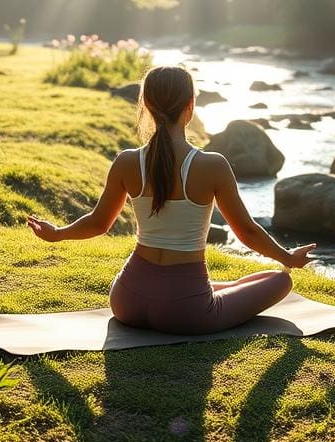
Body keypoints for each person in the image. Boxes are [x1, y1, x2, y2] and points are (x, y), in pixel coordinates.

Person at [27, 65, 316, 335]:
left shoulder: (127, 161)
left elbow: (99, 223)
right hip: (186, 310)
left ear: (148, 106)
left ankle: (208, 290)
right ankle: (211, 291)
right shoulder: (211, 165)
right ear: (190, 106)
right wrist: (288, 257)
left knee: (243, 283)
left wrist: (58, 235)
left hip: (127, 301)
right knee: (279, 279)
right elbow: (247, 232)